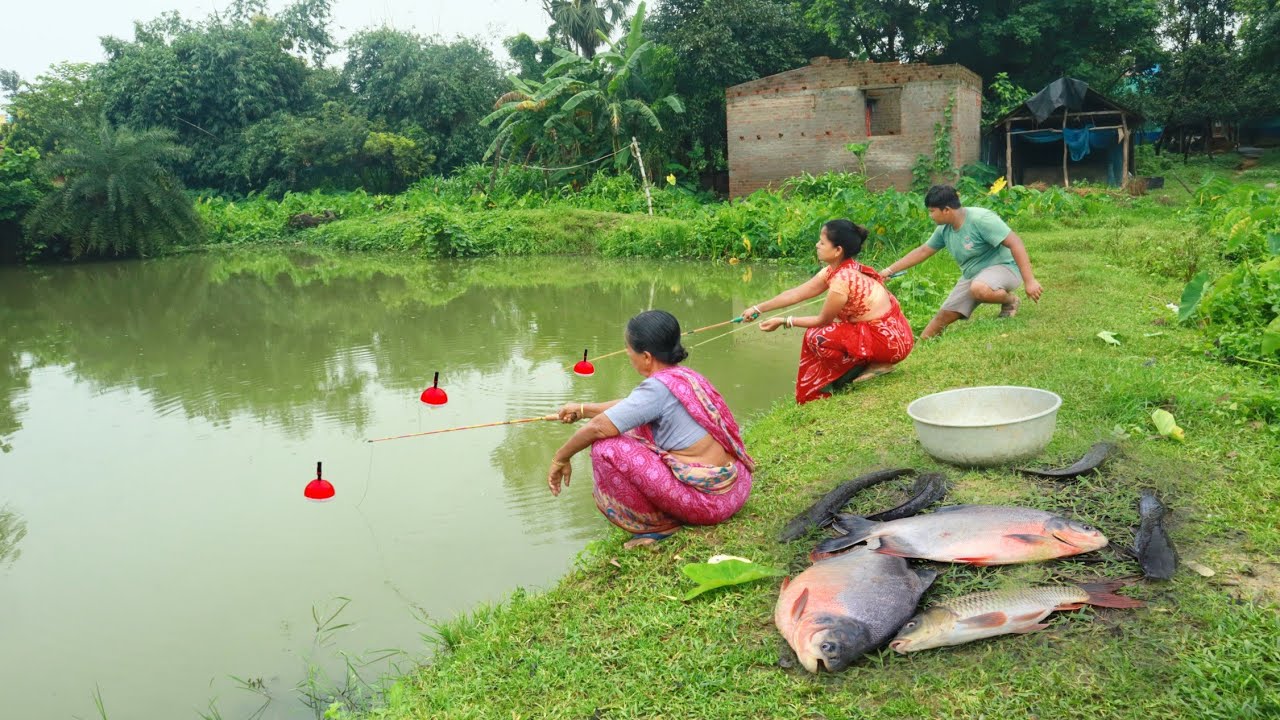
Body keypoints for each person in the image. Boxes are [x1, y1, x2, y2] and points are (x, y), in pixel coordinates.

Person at [547, 310, 754, 549]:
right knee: (629, 428)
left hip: (709, 504)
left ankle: (661, 526)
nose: (628, 355)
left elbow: (599, 428)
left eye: (629, 350)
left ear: (646, 356)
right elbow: (633, 407)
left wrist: (560, 458)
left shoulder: (657, 389)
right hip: (736, 489)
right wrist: (582, 409)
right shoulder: (684, 376)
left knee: (606, 448)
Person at [742, 219, 915, 404]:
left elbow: (822, 321)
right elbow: (796, 293)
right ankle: (864, 366)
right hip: (898, 336)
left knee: (816, 336)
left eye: (822, 243)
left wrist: (784, 321)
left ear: (838, 250)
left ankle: (865, 368)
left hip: (889, 344)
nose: (817, 245)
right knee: (826, 333)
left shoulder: (842, 280)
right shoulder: (840, 269)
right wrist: (758, 308)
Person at [879, 184, 1043, 339]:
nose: (930, 216)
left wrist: (1030, 281)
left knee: (979, 288)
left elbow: (1016, 243)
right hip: (973, 275)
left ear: (946, 210)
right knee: (938, 322)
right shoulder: (944, 229)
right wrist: (889, 270)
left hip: (1005, 268)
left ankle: (1010, 300)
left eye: (932, 211)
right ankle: (920, 347)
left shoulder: (981, 219)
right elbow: (923, 251)